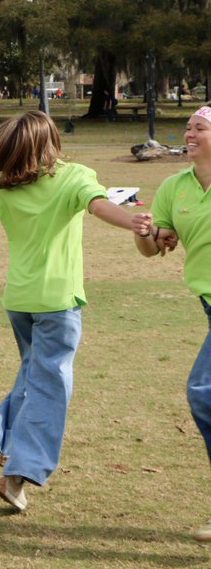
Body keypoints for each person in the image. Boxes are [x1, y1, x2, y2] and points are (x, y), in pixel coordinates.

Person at [0, 110, 151, 512]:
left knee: (34, 371)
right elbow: (100, 207)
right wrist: (132, 222)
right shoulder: (73, 176)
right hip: (57, 301)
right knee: (51, 383)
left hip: (19, 301)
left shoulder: (1, 188)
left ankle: (9, 439)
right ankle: (18, 473)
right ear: (51, 142)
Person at [134, 106, 211, 539]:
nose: (189, 133)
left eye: (199, 128)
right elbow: (152, 248)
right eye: (187, 127)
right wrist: (146, 231)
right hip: (207, 302)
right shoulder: (173, 187)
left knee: (203, 391)